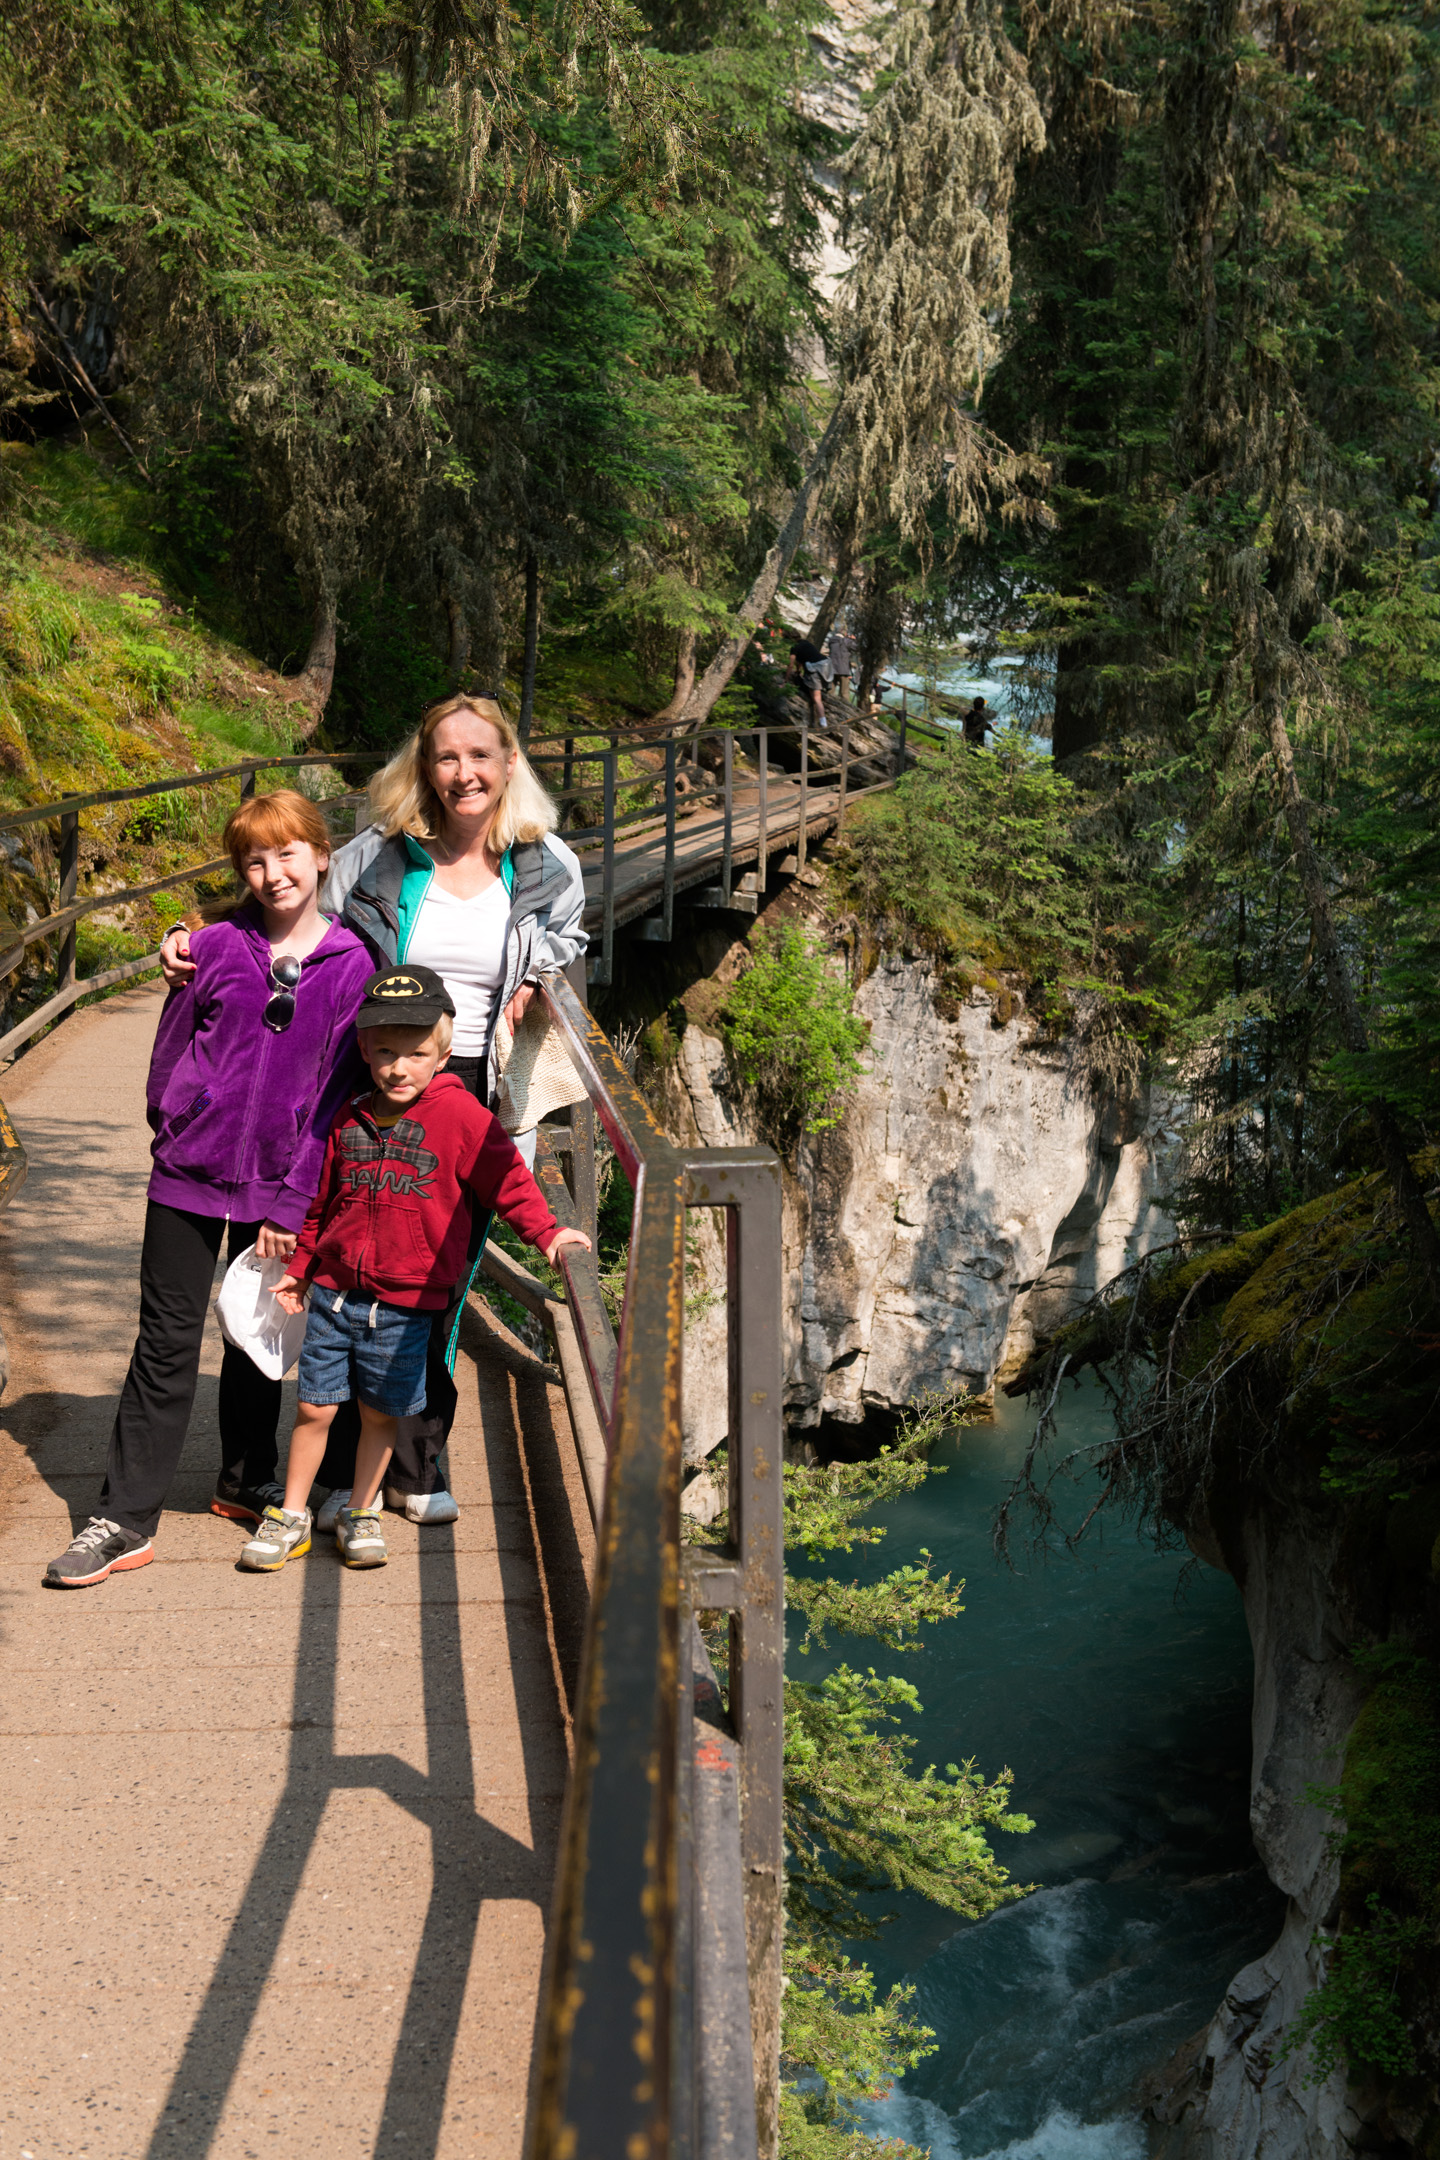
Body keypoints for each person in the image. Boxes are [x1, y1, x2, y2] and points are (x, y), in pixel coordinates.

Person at [159, 692, 585, 1528]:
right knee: (355, 1268)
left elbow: (568, 937)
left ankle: (415, 1463)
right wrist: (192, 932)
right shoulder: (378, 856)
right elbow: (285, 904)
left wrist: (538, 977)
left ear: (509, 765)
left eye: (480, 756)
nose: (464, 773)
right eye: (447, 757)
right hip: (376, 1075)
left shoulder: (546, 864)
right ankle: (343, 1470)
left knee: (438, 1280)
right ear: (424, 767)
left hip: (476, 1083)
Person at [46, 791, 376, 1589]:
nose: (273, 873)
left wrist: (295, 1199)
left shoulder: (352, 966)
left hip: (278, 1185)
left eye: (287, 853)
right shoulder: (215, 947)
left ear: (321, 855)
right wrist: (175, 1124)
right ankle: (124, 1517)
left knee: (256, 1338)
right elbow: (170, 1049)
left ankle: (244, 1476)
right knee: (162, 1343)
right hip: (187, 1174)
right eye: (254, 860)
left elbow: (337, 1097)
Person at [237, 965, 592, 1571]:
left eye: (416, 1054)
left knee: (379, 1415)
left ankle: (361, 1510)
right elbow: (324, 1206)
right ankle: (291, 1516)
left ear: (444, 1055)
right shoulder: (349, 1118)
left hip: (404, 1308)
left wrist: (549, 1234)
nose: (398, 1068)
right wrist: (302, 1266)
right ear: (364, 1051)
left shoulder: (464, 1120)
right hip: (334, 1297)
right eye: (385, 1053)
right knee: (314, 1408)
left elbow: (508, 1181)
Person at [786, 636, 830, 730]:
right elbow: (802, 660)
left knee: (816, 698)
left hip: (815, 669)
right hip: (825, 666)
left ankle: (823, 724)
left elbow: (791, 665)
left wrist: (786, 680)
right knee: (816, 696)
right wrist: (798, 670)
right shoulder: (805, 643)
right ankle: (819, 722)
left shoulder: (794, 647)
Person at [827, 623, 854, 703]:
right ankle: (845, 708)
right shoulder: (847, 641)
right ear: (845, 633)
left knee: (830, 690)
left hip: (832, 668)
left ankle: (828, 704)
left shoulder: (831, 640)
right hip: (843, 669)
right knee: (844, 693)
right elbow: (855, 647)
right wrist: (852, 639)